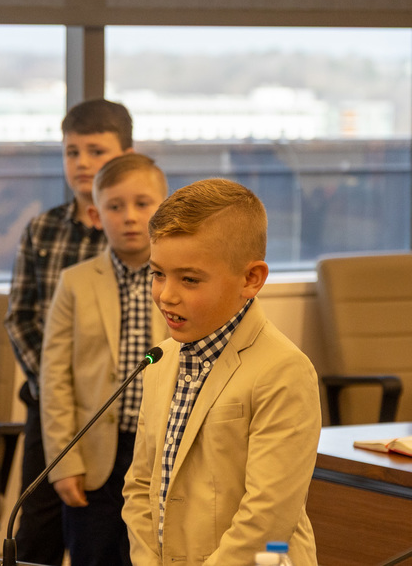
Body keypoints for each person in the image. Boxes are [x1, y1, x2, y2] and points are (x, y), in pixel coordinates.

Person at [122, 179, 320, 566]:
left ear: (251, 279)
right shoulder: (160, 360)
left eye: (189, 279)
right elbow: (140, 484)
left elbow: (267, 518)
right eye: (158, 273)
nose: (166, 295)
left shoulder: (283, 371)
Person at [5, 99, 134, 564]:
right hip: (50, 403)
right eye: (72, 152)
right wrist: (58, 385)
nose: (82, 163)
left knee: (108, 528)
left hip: (120, 406)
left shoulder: (133, 227)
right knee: (38, 526)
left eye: (96, 151)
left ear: (127, 153)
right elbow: (20, 317)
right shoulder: (43, 229)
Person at [40, 154, 168, 566]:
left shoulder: (182, 281)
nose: (130, 217)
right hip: (94, 459)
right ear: (96, 215)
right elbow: (55, 379)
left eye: (143, 204)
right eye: (115, 206)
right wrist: (64, 462)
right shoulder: (75, 282)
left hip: (159, 451)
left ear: (164, 209)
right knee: (93, 554)